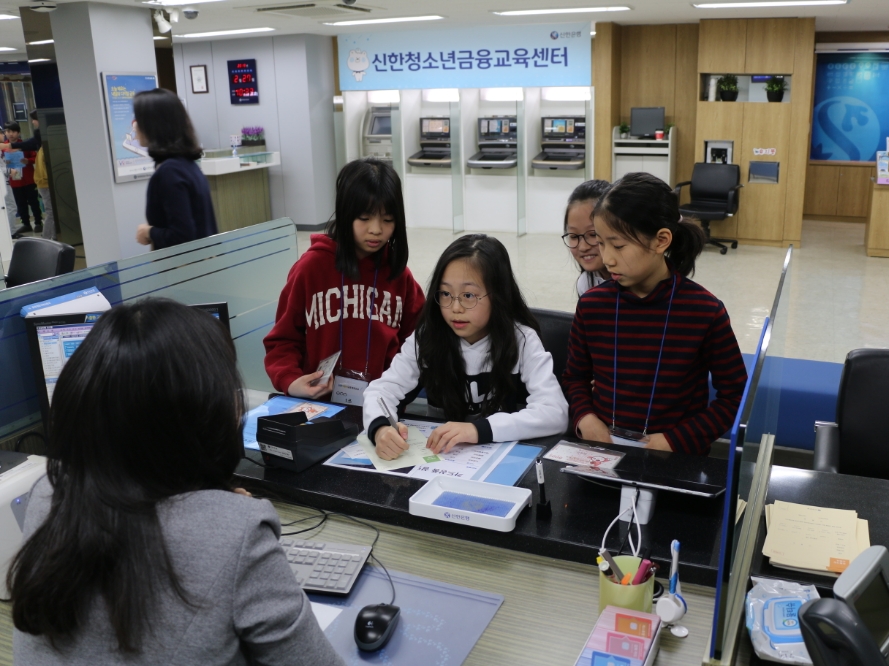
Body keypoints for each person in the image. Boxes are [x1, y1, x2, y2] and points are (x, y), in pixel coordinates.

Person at [7, 298, 346, 665]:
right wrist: (225, 517)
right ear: (204, 414)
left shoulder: (48, 495)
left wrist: (215, 508)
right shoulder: (239, 532)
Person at [562, 172, 747, 455]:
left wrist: (676, 440)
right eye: (601, 243)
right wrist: (585, 418)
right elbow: (574, 378)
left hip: (674, 459)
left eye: (618, 245)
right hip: (602, 453)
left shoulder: (704, 311)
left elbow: (735, 396)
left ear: (661, 241)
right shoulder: (592, 305)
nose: (607, 258)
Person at [363, 234, 569, 460]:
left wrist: (477, 430)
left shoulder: (522, 340)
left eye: (468, 295)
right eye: (445, 294)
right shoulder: (427, 337)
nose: (455, 307)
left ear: (498, 295)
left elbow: (555, 413)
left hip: (503, 461)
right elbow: (381, 391)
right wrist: (381, 429)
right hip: (441, 459)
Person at [264, 158, 425, 400]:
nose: (376, 229)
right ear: (345, 213)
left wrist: (397, 387)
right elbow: (283, 340)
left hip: (383, 403)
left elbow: (416, 343)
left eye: (388, 220)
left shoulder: (400, 276)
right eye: (364, 218)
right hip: (319, 403)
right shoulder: (310, 269)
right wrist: (290, 380)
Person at [132, 88, 217, 250]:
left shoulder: (170, 172)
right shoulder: (186, 165)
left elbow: (183, 236)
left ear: (153, 125)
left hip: (185, 265)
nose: (135, 126)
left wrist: (149, 232)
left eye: (138, 120)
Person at [562, 179, 612, 297]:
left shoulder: (641, 287)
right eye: (574, 236)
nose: (583, 247)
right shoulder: (585, 284)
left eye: (593, 234)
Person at [2, 121, 42, 236]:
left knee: (33, 201)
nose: (11, 134)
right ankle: (26, 223)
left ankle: (38, 222)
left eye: (13, 131)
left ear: (18, 133)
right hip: (14, 180)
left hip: (28, 178)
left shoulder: (25, 145)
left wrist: (28, 161)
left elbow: (35, 157)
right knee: (20, 203)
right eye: (8, 131)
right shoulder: (3, 147)